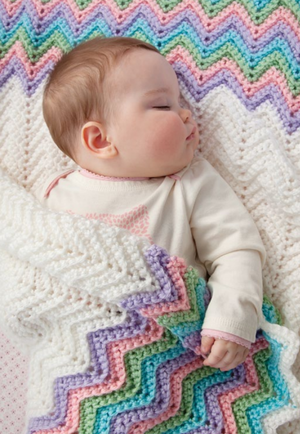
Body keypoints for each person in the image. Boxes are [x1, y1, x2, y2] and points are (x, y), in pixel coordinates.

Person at [35, 36, 266, 372]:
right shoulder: (54, 195)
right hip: (81, 355)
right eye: (163, 106)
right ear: (100, 140)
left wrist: (233, 317)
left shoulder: (189, 182)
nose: (185, 113)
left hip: (175, 349)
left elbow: (235, 249)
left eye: (179, 102)